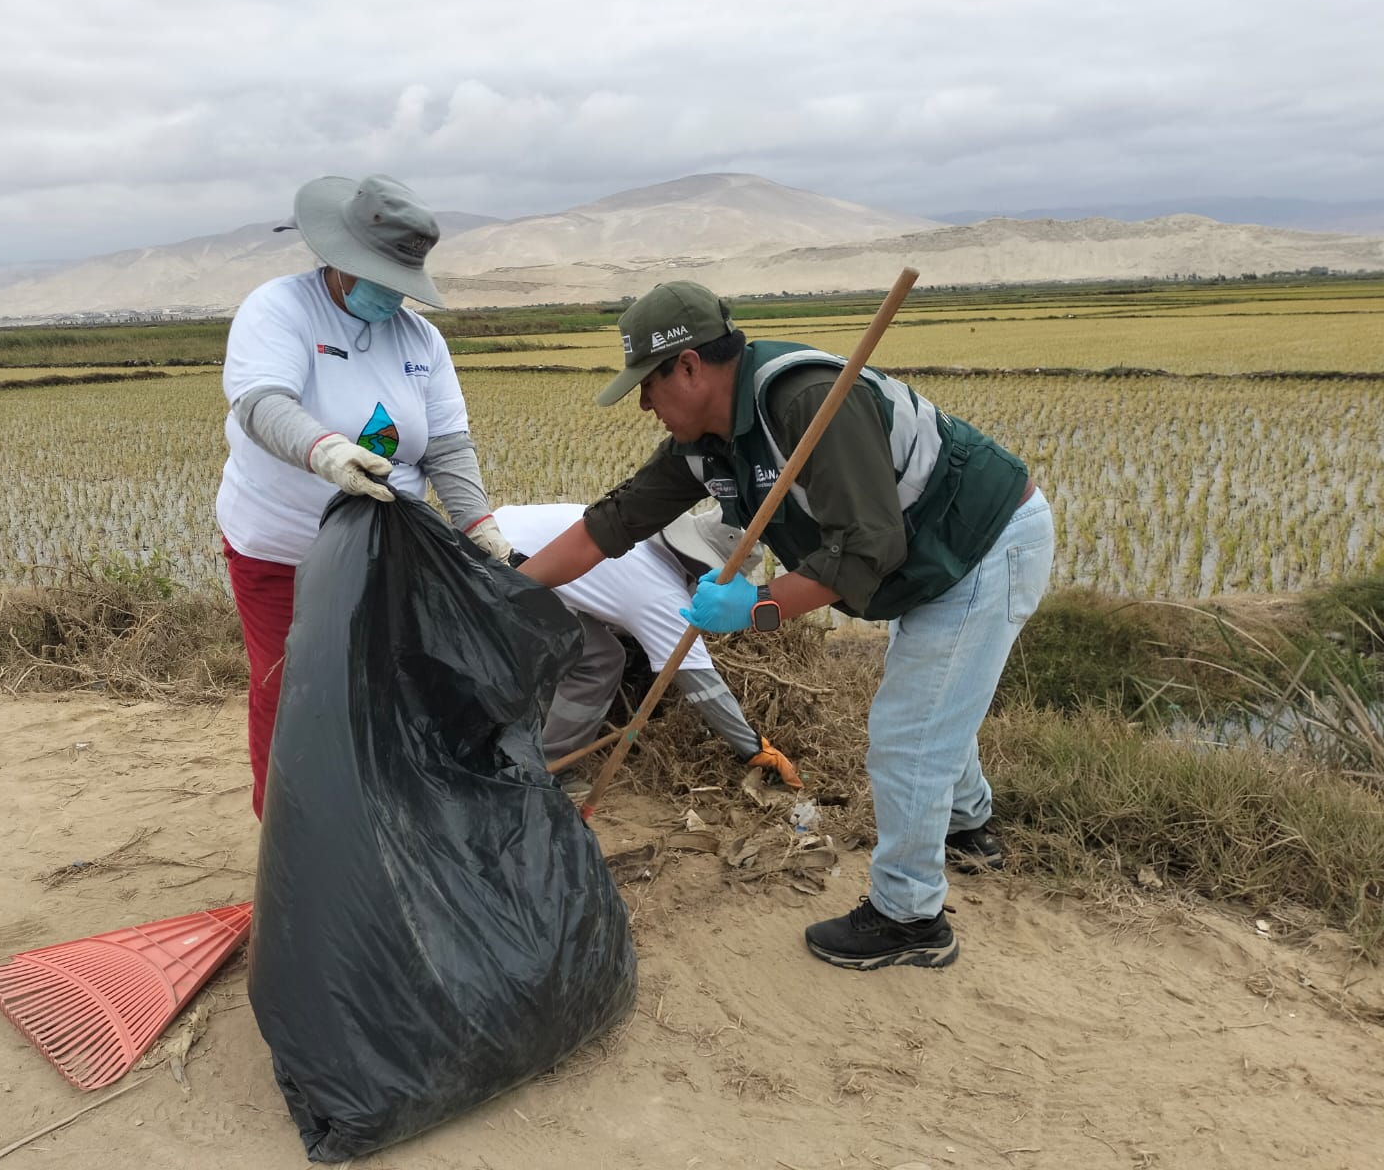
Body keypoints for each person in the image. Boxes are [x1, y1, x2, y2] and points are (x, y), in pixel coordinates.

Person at [520, 281, 1055, 971]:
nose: (645, 404)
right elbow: (611, 524)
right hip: (925, 555)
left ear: (688, 366)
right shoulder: (706, 441)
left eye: (648, 385)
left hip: (983, 542)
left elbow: (868, 549)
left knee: (909, 735)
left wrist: (759, 607)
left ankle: (910, 919)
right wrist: (507, 587)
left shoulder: (804, 402)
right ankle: (969, 827)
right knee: (936, 701)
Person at [215, 173, 513, 819]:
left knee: (387, 680)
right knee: (288, 685)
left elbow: (447, 446)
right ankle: (288, 827)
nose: (388, 292)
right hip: (282, 547)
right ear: (339, 258)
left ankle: (376, 812)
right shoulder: (279, 309)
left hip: (385, 549)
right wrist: (325, 450)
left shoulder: (421, 340)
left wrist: (478, 523)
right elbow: (262, 403)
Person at [495, 502, 802, 792]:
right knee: (599, 663)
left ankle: (535, 735)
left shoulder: (635, 538)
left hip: (489, 535)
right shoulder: (661, 597)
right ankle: (547, 767)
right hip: (502, 573)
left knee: (585, 644)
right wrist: (754, 748)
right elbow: (703, 686)